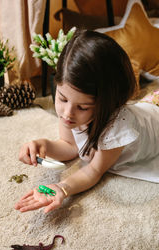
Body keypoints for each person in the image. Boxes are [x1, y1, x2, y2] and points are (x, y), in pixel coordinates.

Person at [15, 29, 159, 214]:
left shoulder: (116, 127)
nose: (67, 113)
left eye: (82, 107)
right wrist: (43, 145)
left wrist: (63, 187)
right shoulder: (70, 111)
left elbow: (93, 171)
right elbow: (70, 146)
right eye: (62, 98)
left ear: (108, 104)